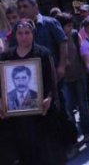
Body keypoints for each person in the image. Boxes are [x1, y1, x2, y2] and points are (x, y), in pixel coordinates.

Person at [0, 19, 65, 164]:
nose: (24, 37)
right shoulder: (6, 57)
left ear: (33, 34)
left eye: (27, 33)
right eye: (20, 33)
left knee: (45, 153)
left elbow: (51, 81)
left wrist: (49, 98)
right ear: (15, 36)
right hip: (17, 118)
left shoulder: (42, 53)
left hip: (40, 113)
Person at [55, 13, 89, 143]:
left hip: (79, 75)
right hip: (64, 79)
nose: (70, 28)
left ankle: (86, 132)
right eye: (68, 26)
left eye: (71, 25)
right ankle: (74, 134)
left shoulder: (75, 35)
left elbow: (82, 51)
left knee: (83, 105)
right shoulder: (56, 38)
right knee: (69, 108)